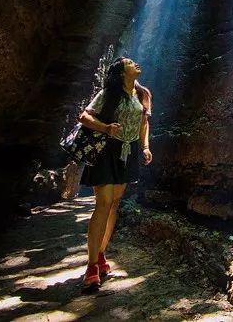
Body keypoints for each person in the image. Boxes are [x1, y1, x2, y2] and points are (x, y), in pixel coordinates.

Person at [76, 56, 153, 290]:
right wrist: (105, 128)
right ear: (122, 72)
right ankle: (91, 267)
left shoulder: (143, 94)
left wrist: (146, 146)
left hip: (127, 153)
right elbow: (85, 116)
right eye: (130, 62)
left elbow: (144, 123)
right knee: (103, 202)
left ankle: (100, 254)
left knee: (114, 204)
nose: (136, 63)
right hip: (106, 151)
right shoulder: (108, 93)